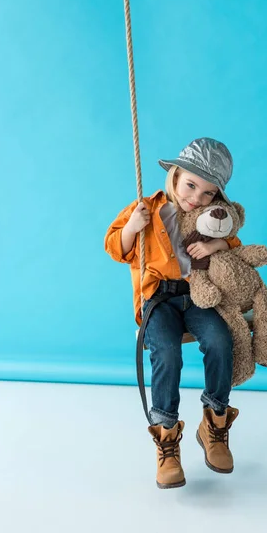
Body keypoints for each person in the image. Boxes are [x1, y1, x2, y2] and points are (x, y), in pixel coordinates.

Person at [105, 138, 241, 489]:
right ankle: (166, 438)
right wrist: (133, 227)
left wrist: (216, 244)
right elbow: (115, 248)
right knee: (166, 350)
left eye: (208, 193)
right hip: (158, 299)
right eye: (191, 185)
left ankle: (215, 422)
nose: (196, 197)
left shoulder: (213, 219)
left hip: (198, 295)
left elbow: (235, 245)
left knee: (220, 339)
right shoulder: (147, 207)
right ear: (176, 175)